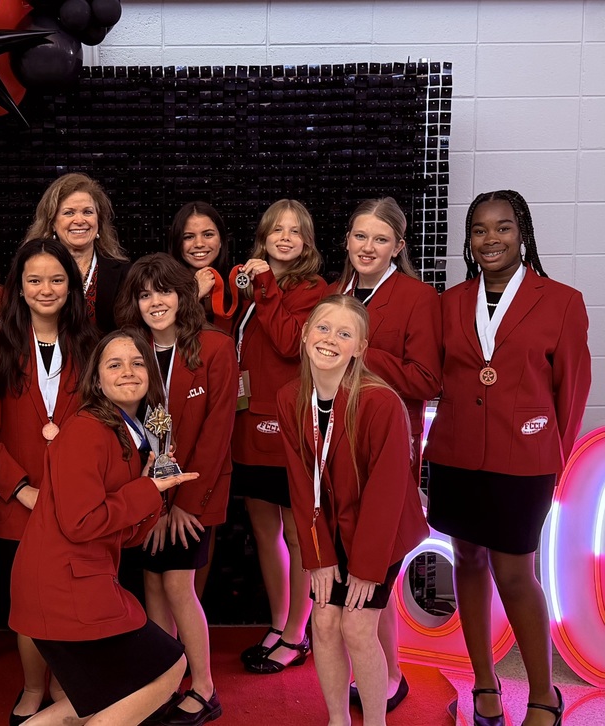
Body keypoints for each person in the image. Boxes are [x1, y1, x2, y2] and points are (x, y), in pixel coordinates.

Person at [425, 190, 590, 726]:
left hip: (525, 459)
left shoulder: (561, 301)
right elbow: (430, 376)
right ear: (469, 241)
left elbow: (572, 388)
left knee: (515, 573)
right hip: (456, 454)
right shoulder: (449, 303)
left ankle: (544, 694)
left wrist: (554, 457)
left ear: (523, 233)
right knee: (467, 563)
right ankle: (483, 681)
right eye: (479, 230)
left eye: (502, 227)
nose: (490, 239)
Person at [9, 329, 198, 725]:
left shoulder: (127, 434)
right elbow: (81, 523)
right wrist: (147, 490)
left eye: (137, 362)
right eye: (115, 364)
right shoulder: (86, 431)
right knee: (167, 667)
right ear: (97, 379)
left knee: (98, 697)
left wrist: (150, 489)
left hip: (79, 579)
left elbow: (125, 536)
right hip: (65, 587)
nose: (128, 371)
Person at [277, 295, 427, 726]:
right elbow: (302, 486)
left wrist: (365, 567)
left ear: (360, 348)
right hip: (330, 528)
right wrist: (319, 558)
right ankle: (338, 720)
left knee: (357, 628)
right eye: (323, 328)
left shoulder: (381, 403)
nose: (330, 339)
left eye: (344, 334)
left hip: (381, 535)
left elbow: (388, 494)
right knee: (323, 623)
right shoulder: (291, 398)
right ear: (306, 335)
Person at [0, 238, 99, 724]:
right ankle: (32, 689)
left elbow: (104, 425)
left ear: (72, 287)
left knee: (74, 603)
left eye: (56, 279)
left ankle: (70, 691)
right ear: (19, 289)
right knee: (28, 605)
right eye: (34, 280)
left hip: (77, 505)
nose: (45, 289)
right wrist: (22, 488)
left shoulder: (93, 346)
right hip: (16, 504)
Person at [328, 197, 442, 710]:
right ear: (347, 241)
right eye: (359, 236)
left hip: (387, 445)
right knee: (362, 573)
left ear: (398, 245)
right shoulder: (337, 292)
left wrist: (359, 348)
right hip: (335, 448)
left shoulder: (417, 296)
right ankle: (390, 674)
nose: (367, 247)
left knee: (377, 558)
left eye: (379, 238)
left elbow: (427, 379)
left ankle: (389, 676)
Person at [115, 254, 237, 726]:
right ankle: (164, 679)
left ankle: (204, 688)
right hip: (145, 493)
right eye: (144, 294)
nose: (155, 302)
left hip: (193, 497)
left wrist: (182, 505)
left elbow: (216, 433)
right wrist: (150, 500)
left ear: (184, 295)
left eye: (163, 291)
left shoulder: (215, 346)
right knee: (150, 583)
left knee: (178, 585)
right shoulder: (130, 348)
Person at [229, 200, 325, 675]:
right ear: (263, 236)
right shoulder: (249, 287)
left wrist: (264, 286)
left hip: (285, 425)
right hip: (247, 424)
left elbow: (290, 343)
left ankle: (296, 632)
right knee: (263, 531)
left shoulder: (313, 290)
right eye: (275, 229)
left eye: (295, 231)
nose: (285, 237)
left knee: (295, 530)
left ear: (306, 241)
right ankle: (278, 621)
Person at [25, 172, 131, 333]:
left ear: (99, 220)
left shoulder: (125, 273)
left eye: (87, 212)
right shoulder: (29, 269)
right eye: (69, 213)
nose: (80, 220)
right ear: (52, 222)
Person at [167, 201, 236, 331]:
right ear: (177, 243)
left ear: (221, 240)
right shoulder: (162, 285)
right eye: (188, 237)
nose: (199, 243)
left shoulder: (236, 284)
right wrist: (195, 292)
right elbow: (160, 332)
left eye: (208, 234)